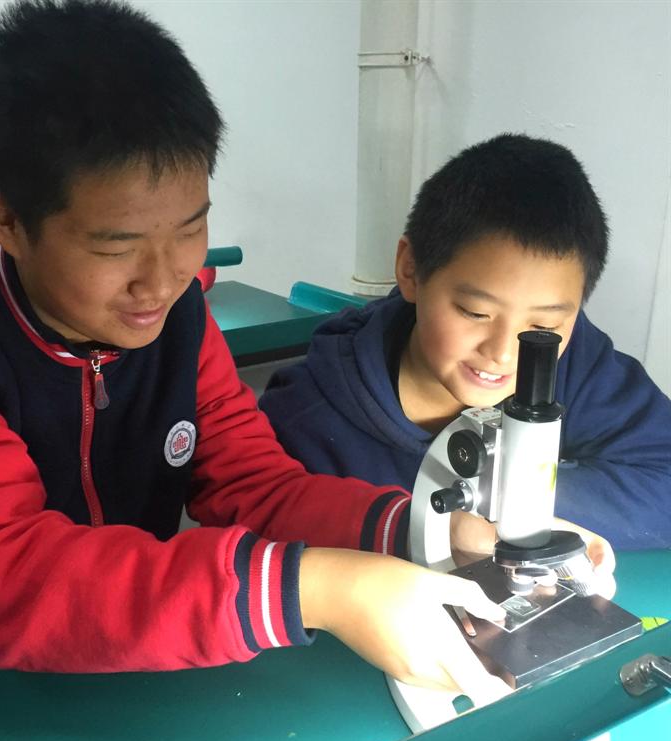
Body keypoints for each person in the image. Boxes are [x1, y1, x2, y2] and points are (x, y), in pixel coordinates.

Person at [0, 0, 524, 701]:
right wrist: (316, 588)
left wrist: (428, 531)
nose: (162, 280)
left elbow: (256, 485)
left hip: (126, 673)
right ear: (6, 219)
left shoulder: (177, 316)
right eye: (116, 247)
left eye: (190, 229)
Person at [260, 134, 671, 554]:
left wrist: (515, 504)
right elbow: (268, 539)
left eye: (544, 325)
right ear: (410, 270)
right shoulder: (305, 418)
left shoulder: (571, 361)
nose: (504, 352)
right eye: (474, 312)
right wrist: (440, 518)